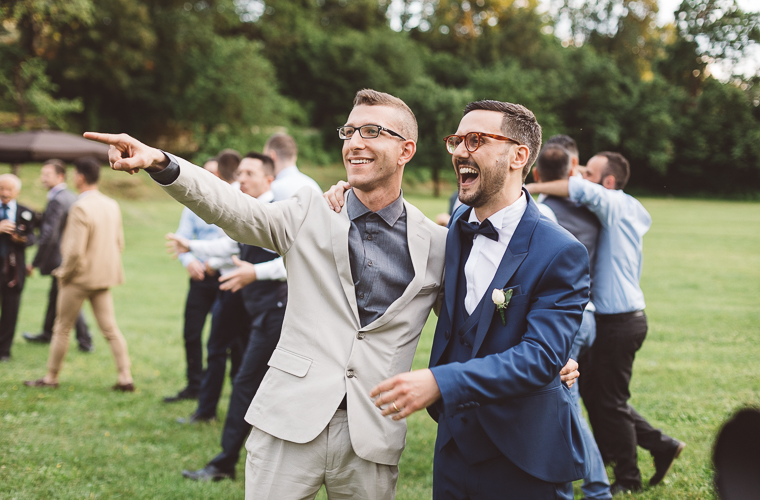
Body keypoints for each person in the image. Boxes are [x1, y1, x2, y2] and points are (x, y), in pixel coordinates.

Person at [85, 89, 579, 498]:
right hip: (289, 421)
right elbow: (234, 209)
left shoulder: (440, 243)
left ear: (406, 150)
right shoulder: (310, 210)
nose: (354, 142)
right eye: (349, 132)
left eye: (372, 131)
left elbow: (476, 319)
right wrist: (162, 163)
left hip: (372, 435)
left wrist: (558, 359)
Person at [367, 100, 591, 499]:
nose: (458, 152)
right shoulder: (455, 228)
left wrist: (439, 380)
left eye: (475, 140)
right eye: (456, 141)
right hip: (455, 445)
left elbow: (541, 357)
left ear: (518, 156)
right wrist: (346, 191)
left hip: (525, 454)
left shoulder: (561, 251)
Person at [526, 151, 685, 494]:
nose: (583, 177)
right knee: (598, 398)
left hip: (619, 320)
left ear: (608, 182)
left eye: (590, 174)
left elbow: (573, 187)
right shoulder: (625, 206)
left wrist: (526, 184)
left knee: (608, 402)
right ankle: (657, 446)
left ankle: (629, 478)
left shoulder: (612, 203)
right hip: (614, 317)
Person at [167, 153, 289, 481]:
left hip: (276, 312)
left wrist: (256, 273)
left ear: (269, 179)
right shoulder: (247, 210)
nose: (241, 178)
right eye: (240, 172)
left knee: (248, 382)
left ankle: (225, 463)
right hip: (254, 308)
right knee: (253, 380)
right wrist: (189, 244)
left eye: (249, 172)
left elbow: (293, 261)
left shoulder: (281, 211)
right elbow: (228, 248)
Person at [533, 143, 611, 500]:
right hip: (590, 314)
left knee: (568, 405)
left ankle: (596, 490)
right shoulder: (593, 210)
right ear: (572, 173)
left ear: (536, 175)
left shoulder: (539, 212)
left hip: (565, 318)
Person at [24, 157, 134, 390]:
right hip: (103, 277)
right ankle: (125, 377)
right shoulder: (111, 204)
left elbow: (74, 252)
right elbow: (120, 243)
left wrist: (64, 273)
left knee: (62, 328)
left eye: (74, 174)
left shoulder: (80, 206)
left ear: (81, 177)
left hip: (79, 278)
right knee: (110, 329)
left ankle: (51, 378)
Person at [163, 159, 226, 403]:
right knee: (192, 333)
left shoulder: (234, 203)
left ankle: (229, 385)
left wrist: (215, 262)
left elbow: (238, 244)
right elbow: (181, 239)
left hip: (224, 278)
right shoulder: (191, 207)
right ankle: (194, 384)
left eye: (215, 172)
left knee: (224, 339)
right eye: (206, 173)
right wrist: (189, 262)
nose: (211, 176)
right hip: (199, 278)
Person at [24, 160, 93, 352]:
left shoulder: (57, 199)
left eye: (47, 174)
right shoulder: (71, 196)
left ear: (60, 176)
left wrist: (35, 262)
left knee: (68, 299)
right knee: (55, 295)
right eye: (42, 174)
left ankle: (86, 341)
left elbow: (49, 235)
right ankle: (47, 333)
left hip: (59, 257)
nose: (43, 178)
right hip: (67, 254)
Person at [0, 174, 37, 361]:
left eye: (9, 189)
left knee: (10, 310)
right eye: (1, 188)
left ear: (17, 191)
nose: (5, 193)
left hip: (14, 268)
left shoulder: (25, 212)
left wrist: (20, 239)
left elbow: (33, 238)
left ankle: (4, 351)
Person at [263, 133, 321, 200]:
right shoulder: (313, 185)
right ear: (295, 157)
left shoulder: (272, 190)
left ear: (272, 156)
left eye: (265, 159)